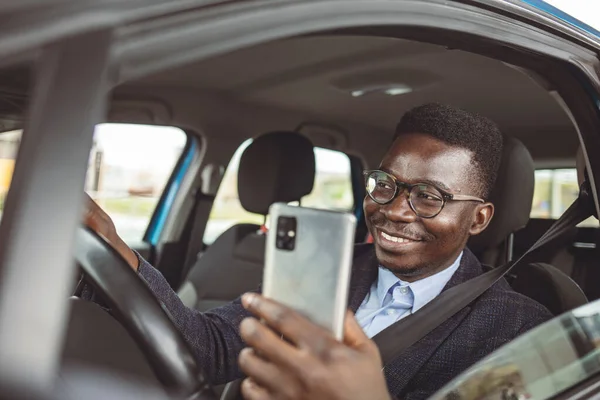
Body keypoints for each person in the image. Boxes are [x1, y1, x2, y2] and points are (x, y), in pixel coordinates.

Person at [84, 103, 552, 400]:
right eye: (385, 184)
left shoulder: (519, 328)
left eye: (429, 197)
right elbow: (212, 347)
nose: (395, 211)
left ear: (479, 219)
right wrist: (113, 246)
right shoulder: (325, 269)